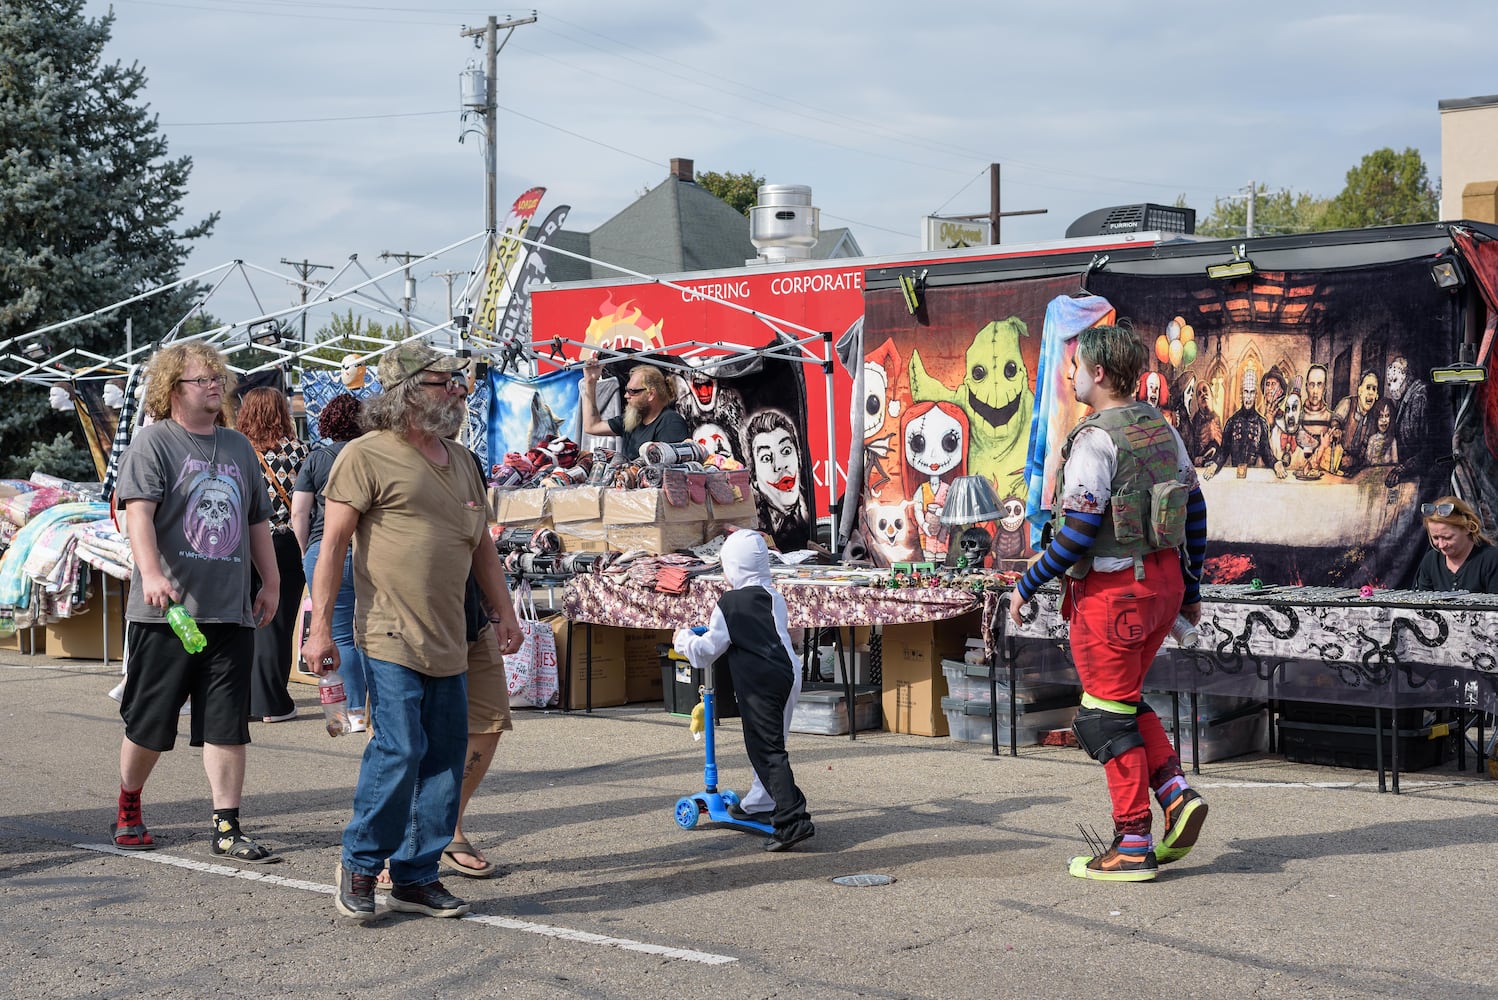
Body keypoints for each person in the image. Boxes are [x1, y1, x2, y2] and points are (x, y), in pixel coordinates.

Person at [302, 344, 523, 923]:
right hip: (389, 632)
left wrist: (505, 613)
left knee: (446, 757)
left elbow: (483, 549)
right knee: (399, 750)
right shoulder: (365, 456)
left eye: (459, 381)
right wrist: (319, 628)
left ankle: (416, 877)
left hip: (452, 635)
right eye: (443, 382)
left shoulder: (464, 460)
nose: (458, 391)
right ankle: (359, 863)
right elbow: (332, 549)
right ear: (404, 391)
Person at [1008, 324, 1209, 882]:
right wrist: (1189, 591)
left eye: (1074, 367)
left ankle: (1133, 841)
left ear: (1098, 374)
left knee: (1100, 718)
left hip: (1115, 595)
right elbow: (1195, 512)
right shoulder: (1161, 428)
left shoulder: (1095, 439)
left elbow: (1076, 535)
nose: (1069, 376)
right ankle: (1175, 794)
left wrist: (1026, 586)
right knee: (1120, 701)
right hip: (1162, 588)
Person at [111, 342, 281, 863]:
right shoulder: (153, 443)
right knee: (150, 724)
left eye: (216, 377)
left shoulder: (236, 446)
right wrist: (153, 574)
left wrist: (270, 583)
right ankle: (129, 805)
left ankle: (226, 827)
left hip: (229, 610)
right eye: (200, 379)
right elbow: (138, 515)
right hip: (168, 612)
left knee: (228, 723)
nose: (214, 384)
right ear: (172, 389)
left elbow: (257, 521)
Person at [673, 530, 815, 852]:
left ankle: (793, 820)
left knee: (766, 751)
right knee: (770, 744)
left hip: (761, 683)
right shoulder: (772, 594)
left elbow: (707, 650)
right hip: (788, 673)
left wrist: (682, 639)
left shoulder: (729, 603)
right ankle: (760, 802)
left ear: (734, 568)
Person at [290, 393, 368, 730]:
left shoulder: (317, 458)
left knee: (338, 634)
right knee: (372, 633)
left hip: (324, 549)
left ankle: (351, 712)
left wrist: (306, 549)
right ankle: (372, 709)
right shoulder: (370, 455)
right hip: (368, 550)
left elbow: (299, 512)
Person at [237, 386, 309, 723]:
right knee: (278, 621)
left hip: (239, 542)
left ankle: (244, 698)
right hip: (284, 542)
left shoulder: (236, 449)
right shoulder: (299, 451)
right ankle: (271, 700)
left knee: (243, 620)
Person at [580, 359, 690, 462]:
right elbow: (591, 426)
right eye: (627, 390)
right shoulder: (634, 419)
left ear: (650, 394)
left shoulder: (670, 422)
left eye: (633, 391)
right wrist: (590, 382)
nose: (626, 395)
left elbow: (668, 470)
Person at [743, 407, 814, 552]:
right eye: (767, 458)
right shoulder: (753, 531)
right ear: (754, 477)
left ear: (799, 459)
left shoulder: (811, 516)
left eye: (786, 451)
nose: (780, 465)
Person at [1412, 496, 1498, 593]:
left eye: (1448, 537)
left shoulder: (1492, 560)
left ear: (1467, 528)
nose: (1441, 545)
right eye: (1435, 537)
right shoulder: (1430, 561)